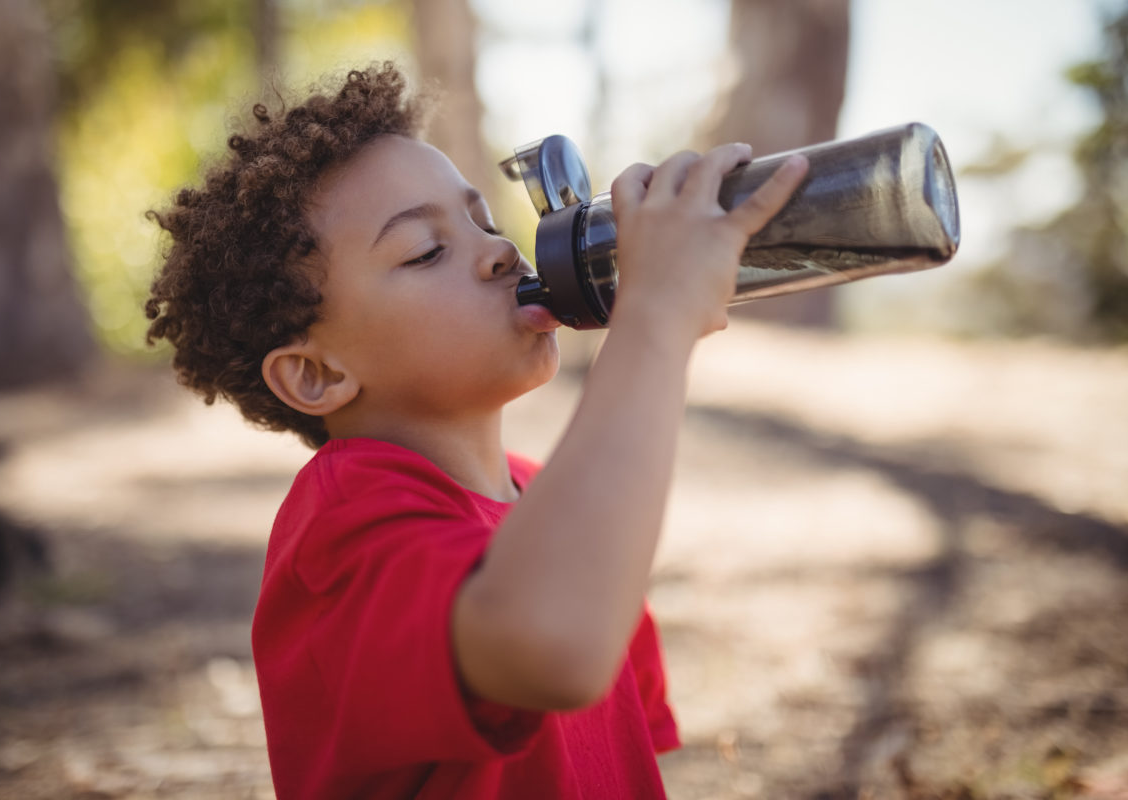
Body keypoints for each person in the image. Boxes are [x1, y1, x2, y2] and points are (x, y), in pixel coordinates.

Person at [144, 62, 808, 799]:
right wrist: (655, 318)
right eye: (426, 251)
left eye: (485, 220)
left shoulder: (551, 505)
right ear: (316, 375)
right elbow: (556, 644)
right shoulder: (342, 529)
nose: (501, 251)